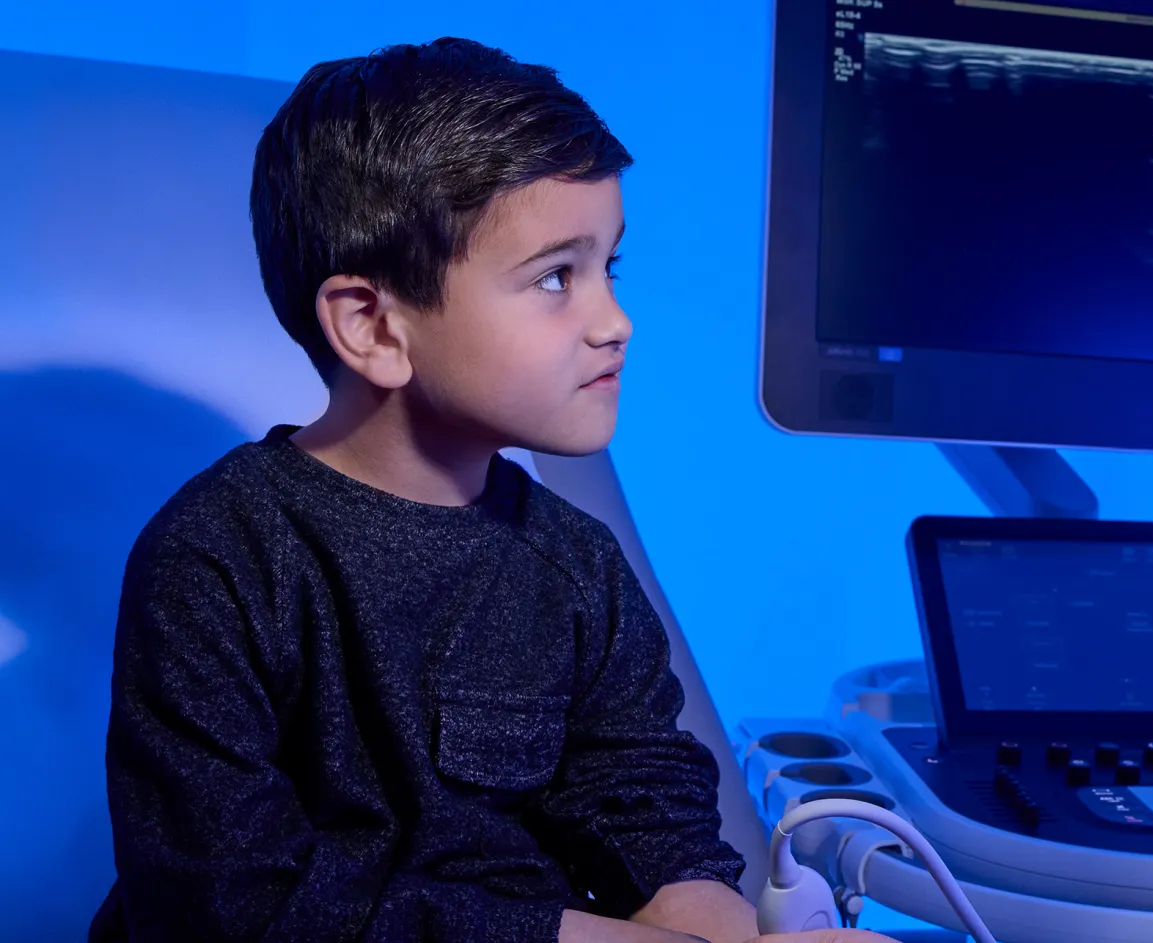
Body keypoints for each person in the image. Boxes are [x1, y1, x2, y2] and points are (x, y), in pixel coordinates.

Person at [91, 38, 889, 943]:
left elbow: (646, 806)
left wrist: (718, 930)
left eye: (608, 268)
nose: (616, 322)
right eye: (556, 277)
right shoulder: (215, 560)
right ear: (372, 327)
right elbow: (230, 901)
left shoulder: (576, 560)